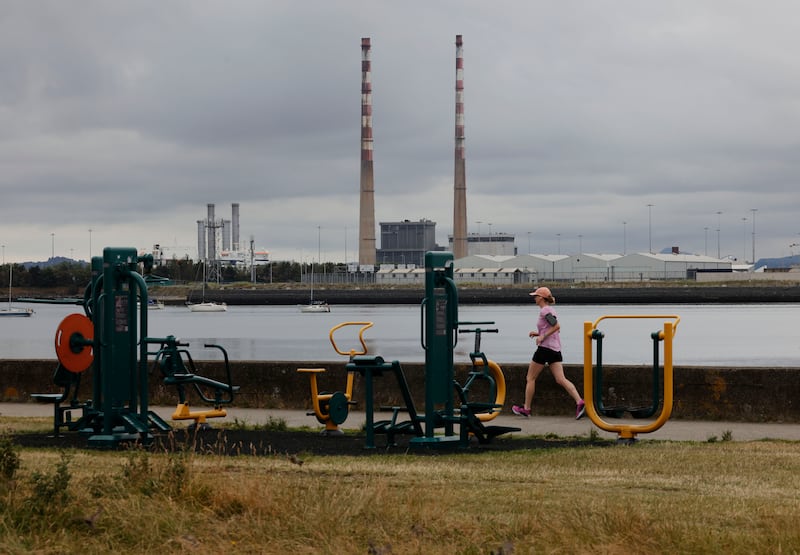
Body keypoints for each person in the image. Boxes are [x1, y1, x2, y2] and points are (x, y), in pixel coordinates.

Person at [512, 286, 586, 419]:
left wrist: (542, 337)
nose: (534, 298)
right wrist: (538, 333)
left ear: (541, 298)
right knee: (560, 379)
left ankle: (526, 409)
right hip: (555, 349)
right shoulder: (550, 310)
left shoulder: (545, 310)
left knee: (530, 378)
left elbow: (556, 326)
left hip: (545, 349)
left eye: (535, 296)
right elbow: (552, 328)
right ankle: (579, 401)